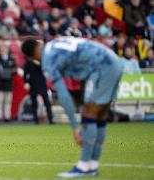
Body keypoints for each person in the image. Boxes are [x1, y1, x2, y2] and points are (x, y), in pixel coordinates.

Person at [21, 37, 123, 178]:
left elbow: (63, 95)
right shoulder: (55, 43)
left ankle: (83, 166)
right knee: (100, 115)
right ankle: (92, 165)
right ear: (39, 42)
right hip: (114, 60)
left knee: (89, 113)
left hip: (101, 66)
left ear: (32, 57)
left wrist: (75, 128)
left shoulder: (48, 59)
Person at [23, 56, 54, 124]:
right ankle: (35, 120)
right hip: (33, 84)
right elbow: (25, 74)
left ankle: (51, 119)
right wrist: (25, 82)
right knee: (34, 103)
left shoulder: (41, 61)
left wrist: (38, 64)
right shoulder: (28, 63)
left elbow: (45, 70)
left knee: (47, 102)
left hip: (41, 84)